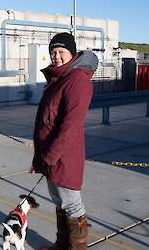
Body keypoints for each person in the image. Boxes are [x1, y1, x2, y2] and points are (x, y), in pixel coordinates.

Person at [31, 32, 98, 250]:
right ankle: (62, 245)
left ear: (72, 53)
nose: (56, 56)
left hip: (63, 156)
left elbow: (71, 126)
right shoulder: (58, 78)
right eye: (53, 52)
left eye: (61, 52)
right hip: (50, 154)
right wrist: (41, 156)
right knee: (60, 203)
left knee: (72, 205)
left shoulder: (77, 80)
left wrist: (50, 155)